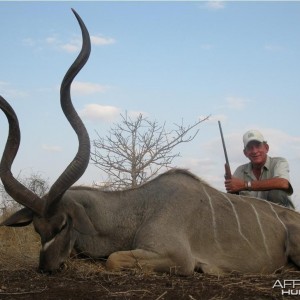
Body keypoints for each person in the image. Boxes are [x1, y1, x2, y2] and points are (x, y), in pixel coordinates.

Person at [224, 129, 294, 209]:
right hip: (252, 219)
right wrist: (231, 187)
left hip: (282, 218)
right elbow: (232, 197)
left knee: (277, 191)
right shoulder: (240, 170)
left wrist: (245, 185)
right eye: (250, 148)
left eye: (258, 146)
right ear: (245, 153)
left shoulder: (279, 162)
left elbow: (283, 183)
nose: (254, 151)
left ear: (266, 148)